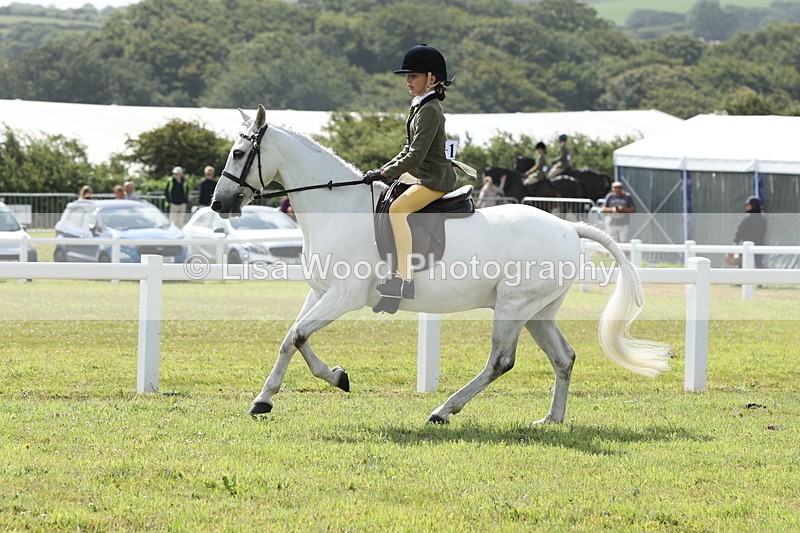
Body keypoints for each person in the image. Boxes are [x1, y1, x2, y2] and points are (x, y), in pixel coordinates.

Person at [362, 43, 458, 305]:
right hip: (419, 175)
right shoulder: (419, 106)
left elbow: (415, 156)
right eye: (408, 76)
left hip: (434, 180)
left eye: (413, 75)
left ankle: (405, 277)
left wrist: (385, 172)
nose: (408, 80)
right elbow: (407, 149)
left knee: (398, 210)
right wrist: (383, 170)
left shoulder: (430, 110)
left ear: (431, 79)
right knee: (386, 198)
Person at [734, 195, 767, 268]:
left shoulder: (747, 218)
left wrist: (736, 241)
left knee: (742, 265)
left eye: (748, 205)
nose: (746, 207)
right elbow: (763, 232)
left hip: (746, 244)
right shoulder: (762, 219)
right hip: (759, 244)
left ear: (753, 206)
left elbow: (740, 231)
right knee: (759, 265)